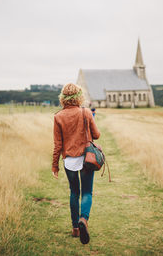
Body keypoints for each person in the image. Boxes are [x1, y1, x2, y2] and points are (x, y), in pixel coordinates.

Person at [52, 83, 100, 244]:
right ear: (79, 97)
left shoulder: (58, 116)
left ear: (63, 98)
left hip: (69, 160)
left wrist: (54, 165)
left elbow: (58, 145)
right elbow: (97, 135)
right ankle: (83, 219)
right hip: (86, 158)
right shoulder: (85, 112)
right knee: (87, 192)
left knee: (74, 192)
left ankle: (75, 229)